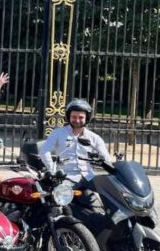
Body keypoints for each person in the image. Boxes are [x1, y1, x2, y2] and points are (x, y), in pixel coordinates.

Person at [39, 99, 111, 231]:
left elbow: (106, 158)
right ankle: (68, 227)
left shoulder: (94, 138)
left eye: (81, 117)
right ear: (68, 117)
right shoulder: (58, 133)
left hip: (90, 177)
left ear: (87, 118)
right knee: (60, 205)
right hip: (66, 177)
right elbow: (44, 151)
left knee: (110, 194)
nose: (77, 120)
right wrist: (52, 169)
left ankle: (112, 222)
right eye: (74, 117)